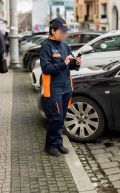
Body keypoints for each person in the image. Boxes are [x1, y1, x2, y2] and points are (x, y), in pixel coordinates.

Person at [40, 18, 82, 156]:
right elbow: (46, 68)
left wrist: (77, 63)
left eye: (66, 32)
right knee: (55, 118)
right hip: (53, 89)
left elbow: (71, 65)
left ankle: (58, 143)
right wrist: (63, 63)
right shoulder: (46, 46)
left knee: (61, 117)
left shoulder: (65, 46)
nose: (64, 34)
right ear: (53, 30)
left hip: (66, 87)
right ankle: (50, 145)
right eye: (62, 31)